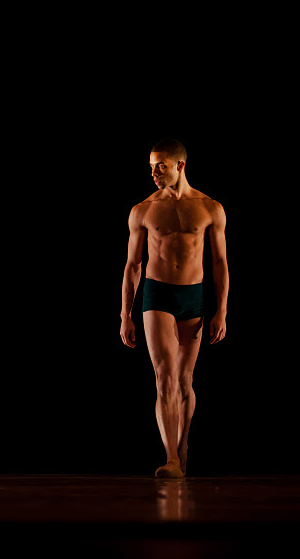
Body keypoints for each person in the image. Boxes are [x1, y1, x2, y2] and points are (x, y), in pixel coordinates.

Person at [120, 138, 228, 478]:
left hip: (193, 298)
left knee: (184, 381)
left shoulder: (210, 207)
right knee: (164, 378)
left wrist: (221, 310)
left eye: (160, 166)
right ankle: (171, 459)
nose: (153, 172)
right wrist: (125, 314)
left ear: (180, 166)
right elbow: (132, 266)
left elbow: (220, 264)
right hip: (156, 296)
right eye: (151, 166)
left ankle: (182, 447)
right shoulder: (143, 209)